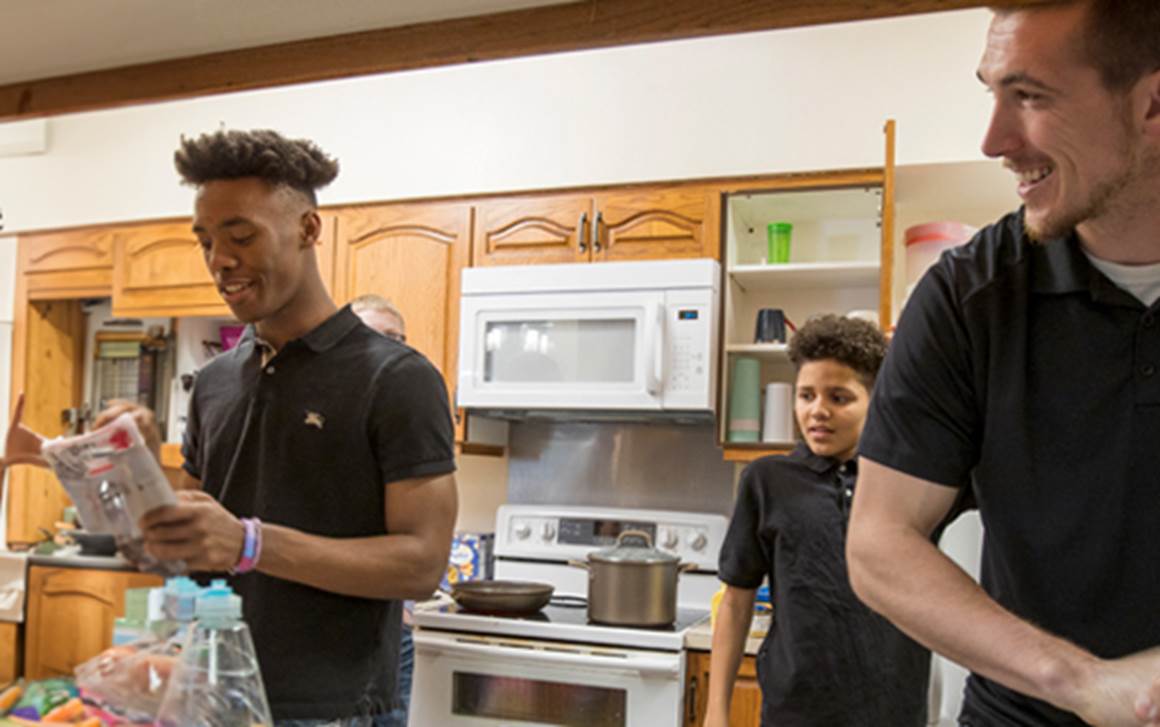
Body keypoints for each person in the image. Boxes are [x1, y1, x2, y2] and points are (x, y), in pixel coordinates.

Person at [845, 2, 1160, 725]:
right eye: (992, 93)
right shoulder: (967, 298)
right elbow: (878, 541)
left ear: (1152, 103)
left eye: (1030, 96)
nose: (994, 140)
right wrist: (1081, 680)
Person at [104, 128, 458, 725]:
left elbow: (422, 565)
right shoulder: (215, 381)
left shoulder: (396, 378)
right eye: (207, 241)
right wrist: (130, 489)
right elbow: (187, 544)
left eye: (241, 236)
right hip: (209, 694)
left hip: (332, 711)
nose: (220, 260)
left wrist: (251, 543)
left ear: (309, 229)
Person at [705, 315, 934, 726]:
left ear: (876, 400)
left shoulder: (909, 481)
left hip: (895, 714)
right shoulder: (767, 481)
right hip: (795, 714)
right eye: (806, 395)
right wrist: (716, 712)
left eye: (839, 398)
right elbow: (737, 602)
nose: (817, 412)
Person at [350, 293, 414, 727]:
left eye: (396, 340)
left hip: (392, 631)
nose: (387, 351)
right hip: (332, 639)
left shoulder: (409, 418)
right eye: (373, 338)